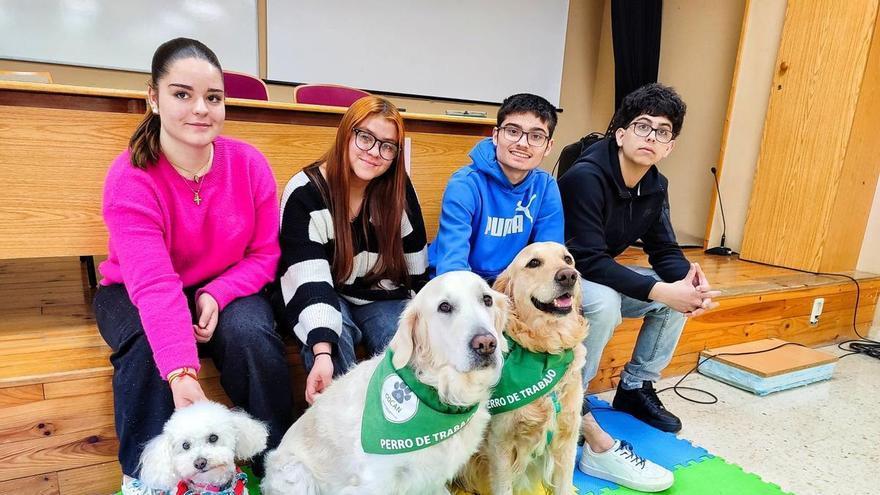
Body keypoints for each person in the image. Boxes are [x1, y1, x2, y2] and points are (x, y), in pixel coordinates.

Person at [93, 38, 292, 494]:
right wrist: (181, 371)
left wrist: (216, 293)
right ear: (153, 97)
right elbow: (155, 285)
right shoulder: (129, 177)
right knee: (145, 346)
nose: (201, 109)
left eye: (214, 97)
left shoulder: (249, 164)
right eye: (182, 94)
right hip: (134, 288)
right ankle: (143, 483)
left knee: (253, 337)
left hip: (224, 283)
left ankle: (278, 463)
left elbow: (265, 254)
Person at [558, 83, 720, 492]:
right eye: (642, 127)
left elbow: (664, 247)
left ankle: (634, 387)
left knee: (673, 296)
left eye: (662, 132)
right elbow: (587, 258)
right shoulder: (585, 177)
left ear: (670, 145)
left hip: (598, 271)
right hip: (565, 276)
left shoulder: (655, 185)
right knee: (608, 302)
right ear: (621, 133)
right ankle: (573, 402)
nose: (651, 137)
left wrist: (688, 283)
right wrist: (660, 291)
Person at [274, 96, 428, 405]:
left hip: (375, 291)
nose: (375, 153)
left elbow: (415, 263)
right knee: (334, 334)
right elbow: (310, 282)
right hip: (319, 290)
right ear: (347, 134)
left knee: (406, 340)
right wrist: (321, 351)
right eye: (365, 137)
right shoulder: (305, 193)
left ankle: (401, 430)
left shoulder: (397, 189)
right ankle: (347, 428)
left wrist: (424, 313)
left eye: (387, 146)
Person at [428, 93, 563, 282]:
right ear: (495, 135)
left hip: (512, 284)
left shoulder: (546, 186)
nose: (522, 144)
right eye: (513, 131)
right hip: (465, 283)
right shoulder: (465, 184)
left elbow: (550, 259)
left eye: (536, 136)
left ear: (548, 146)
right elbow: (453, 268)